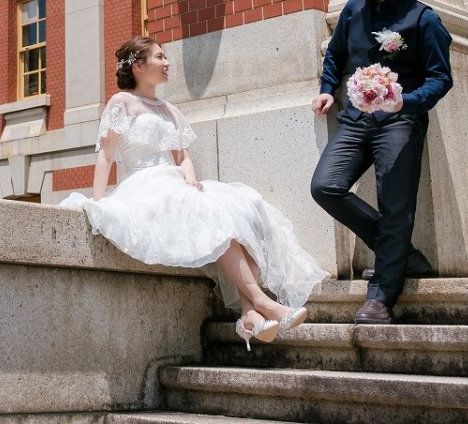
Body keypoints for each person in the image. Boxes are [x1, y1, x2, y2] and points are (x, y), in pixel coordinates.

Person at [61, 36, 327, 349]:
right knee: (217, 219)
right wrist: (98, 200)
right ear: (137, 66)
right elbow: (106, 155)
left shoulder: (169, 109)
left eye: (166, 57)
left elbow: (183, 156)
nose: (167, 63)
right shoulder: (121, 103)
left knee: (242, 210)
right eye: (159, 57)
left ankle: (250, 315)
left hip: (175, 182)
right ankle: (260, 303)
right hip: (143, 185)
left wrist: (190, 177)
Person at [310, 0, 452, 324]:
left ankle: (381, 298)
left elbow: (441, 78)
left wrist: (407, 101)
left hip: (400, 121)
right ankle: (401, 254)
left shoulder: (425, 20)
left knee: (396, 204)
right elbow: (336, 55)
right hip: (355, 120)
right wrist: (326, 90)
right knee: (325, 186)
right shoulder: (353, 11)